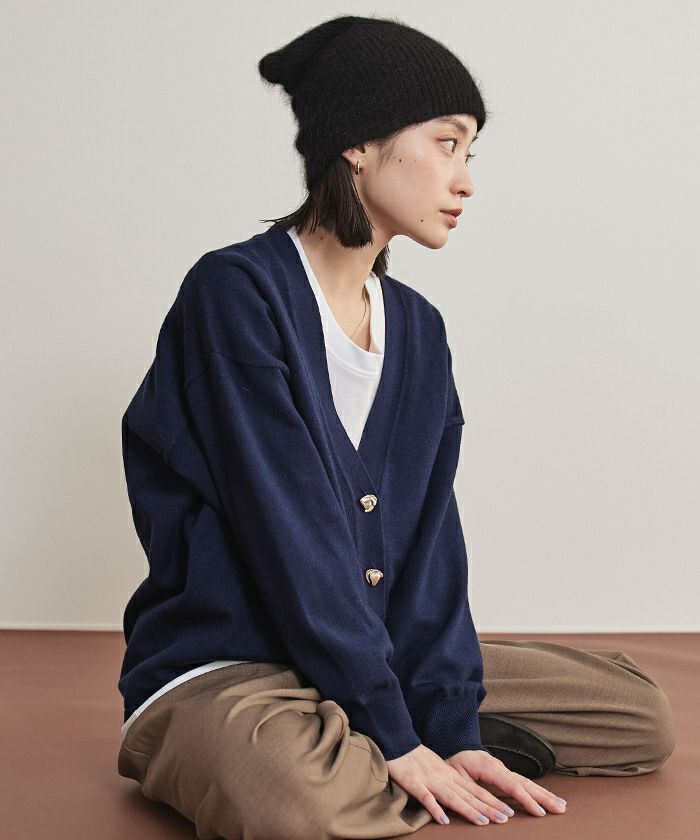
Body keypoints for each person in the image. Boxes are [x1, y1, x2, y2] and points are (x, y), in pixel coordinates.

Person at [116, 14, 676, 839]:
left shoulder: (418, 329)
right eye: (446, 143)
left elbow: (431, 541)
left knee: (637, 716)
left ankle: (399, 747)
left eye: (470, 152)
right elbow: (288, 534)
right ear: (357, 142)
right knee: (294, 801)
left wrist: (449, 722)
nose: (465, 180)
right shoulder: (236, 294)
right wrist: (398, 731)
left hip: (370, 653)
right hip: (231, 665)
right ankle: (364, 746)